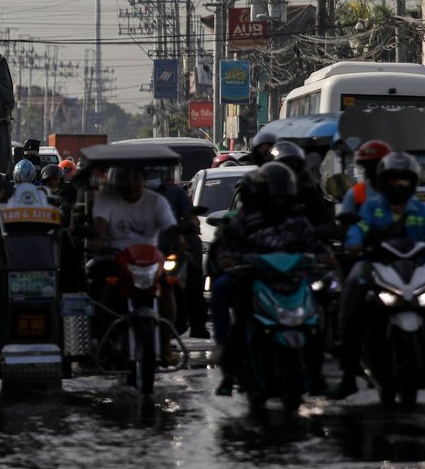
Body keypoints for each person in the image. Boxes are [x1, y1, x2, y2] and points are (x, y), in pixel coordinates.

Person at [210, 162, 325, 395]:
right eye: (274, 196)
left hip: (292, 280)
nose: (278, 202)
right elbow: (225, 245)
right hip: (255, 279)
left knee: (316, 320)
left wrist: (325, 258)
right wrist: (227, 260)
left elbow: (315, 245)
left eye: (282, 196)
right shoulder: (244, 219)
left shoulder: (297, 220)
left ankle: (317, 373)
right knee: (240, 319)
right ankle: (229, 370)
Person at [328, 151, 425, 399]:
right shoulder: (372, 208)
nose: (399, 186)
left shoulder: (420, 210)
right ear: (383, 181)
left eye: (404, 180)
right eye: (394, 180)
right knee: (352, 290)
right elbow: (357, 230)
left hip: (414, 269)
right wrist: (354, 244)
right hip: (376, 265)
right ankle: (348, 375)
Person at [89, 166, 180, 366]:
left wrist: (180, 238)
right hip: (115, 259)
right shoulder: (107, 200)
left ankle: (165, 347)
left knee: (168, 288)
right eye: (125, 180)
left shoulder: (156, 201)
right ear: (116, 182)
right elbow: (101, 226)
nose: (131, 186)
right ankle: (104, 343)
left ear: (142, 181)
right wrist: (97, 238)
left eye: (134, 180)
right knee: (104, 290)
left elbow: (170, 227)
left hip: (150, 260)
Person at [145, 165, 209, 339]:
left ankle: (197, 323)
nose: (149, 177)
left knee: (194, 269)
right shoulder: (130, 196)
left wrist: (190, 227)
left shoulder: (175, 193)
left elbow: (190, 219)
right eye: (145, 173)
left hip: (168, 249)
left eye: (152, 172)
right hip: (140, 252)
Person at [266, 140, 332, 228]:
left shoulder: (307, 192)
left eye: (292, 167)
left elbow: (322, 221)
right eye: (282, 169)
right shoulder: (263, 193)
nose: (288, 173)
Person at [339, 140, 392, 215]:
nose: (374, 170)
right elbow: (344, 224)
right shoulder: (355, 193)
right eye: (368, 166)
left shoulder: (400, 192)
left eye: (377, 165)